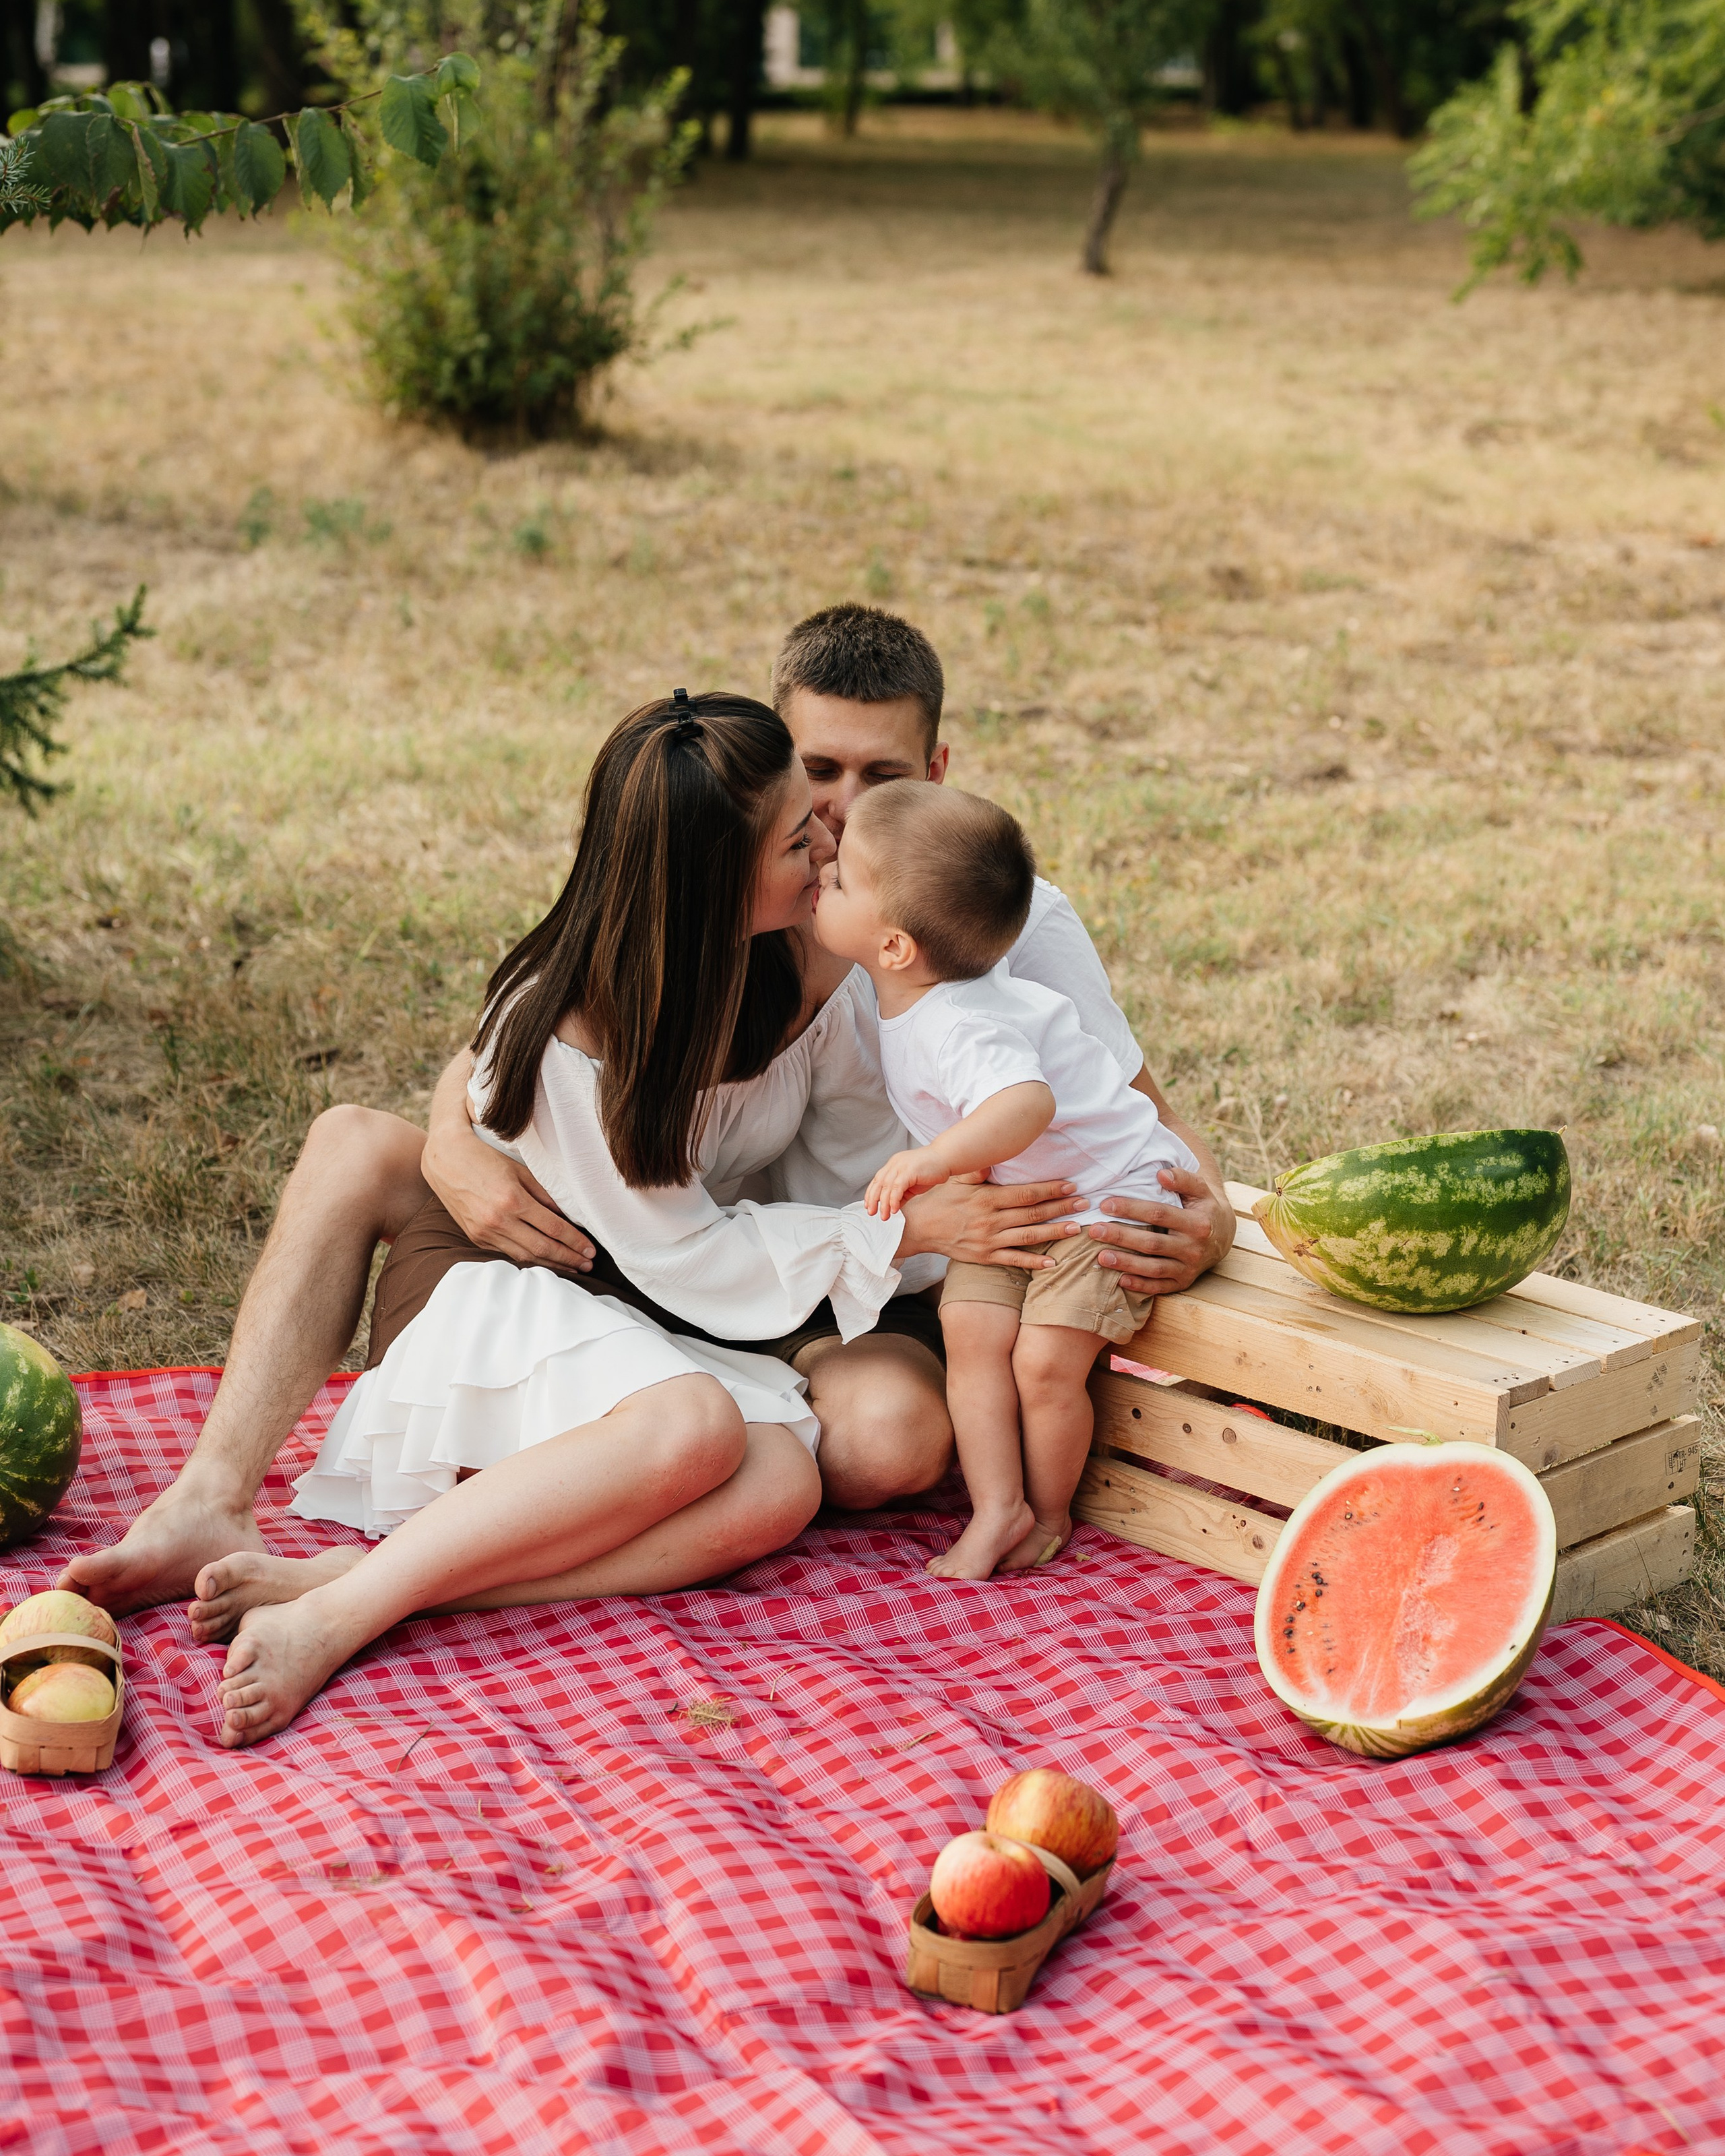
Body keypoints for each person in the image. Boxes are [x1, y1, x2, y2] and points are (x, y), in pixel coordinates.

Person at [65, 606, 1234, 1621]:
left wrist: (1213, 1216)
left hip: (801, 1280)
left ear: (941, 762)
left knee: (870, 1445)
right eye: (815, 784)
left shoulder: (984, 911)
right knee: (355, 1140)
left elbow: (1126, 1112)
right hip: (663, 1256)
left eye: (886, 782)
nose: (838, 823)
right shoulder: (714, 896)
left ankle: (437, 1548)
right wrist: (455, 1145)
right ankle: (208, 1497)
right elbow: (525, 1048)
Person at [208, 690, 942, 1746]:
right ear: (713, 884)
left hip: (656, 1309)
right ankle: (343, 1614)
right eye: (798, 833)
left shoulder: (805, 953)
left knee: (780, 1478)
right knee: (698, 1431)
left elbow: (844, 1165)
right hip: (507, 1288)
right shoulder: (570, 1027)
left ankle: (385, 1581)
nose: (828, 836)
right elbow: (685, 1256)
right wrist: (904, 1234)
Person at [817, 778, 1199, 1578]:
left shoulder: (960, 1020)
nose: (823, 872)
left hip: (1107, 1197)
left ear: (893, 945)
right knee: (972, 1336)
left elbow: (1026, 1101)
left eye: (842, 878)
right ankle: (997, 1507)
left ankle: (1050, 1513)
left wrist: (934, 1159)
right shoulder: (913, 996)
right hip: (1023, 1199)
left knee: (1041, 1362)